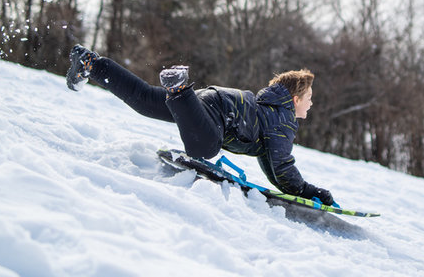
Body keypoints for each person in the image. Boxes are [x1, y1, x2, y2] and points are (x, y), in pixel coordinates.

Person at [65, 45, 334, 205]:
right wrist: (309, 192)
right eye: (309, 98)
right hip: (219, 114)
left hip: (210, 102)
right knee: (205, 148)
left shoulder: (271, 112)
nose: (311, 104)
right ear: (295, 99)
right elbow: (282, 166)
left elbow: (272, 165)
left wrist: (296, 190)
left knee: (145, 99)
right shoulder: (283, 120)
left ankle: (91, 63)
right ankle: (179, 88)